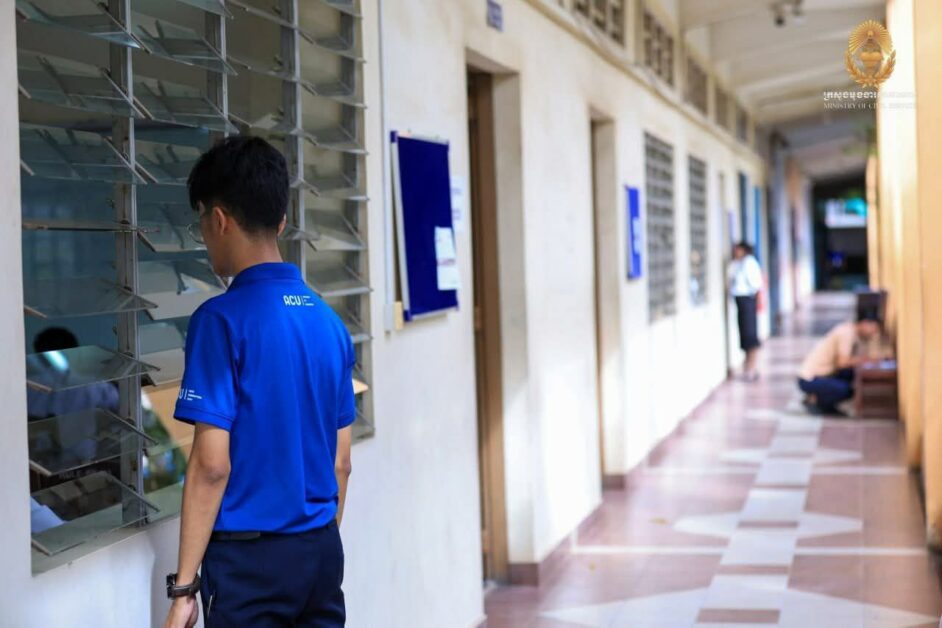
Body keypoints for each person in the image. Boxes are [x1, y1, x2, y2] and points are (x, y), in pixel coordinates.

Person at [163, 136, 355, 628]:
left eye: (201, 221)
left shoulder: (220, 321)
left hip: (250, 567)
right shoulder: (330, 323)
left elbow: (211, 466)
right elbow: (341, 462)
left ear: (218, 220)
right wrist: (313, 545)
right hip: (321, 552)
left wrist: (184, 590)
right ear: (282, 221)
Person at [797, 308, 893, 415]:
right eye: (873, 328)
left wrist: (872, 355)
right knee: (846, 390)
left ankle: (818, 398)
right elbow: (842, 363)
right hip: (810, 379)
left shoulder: (857, 335)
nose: (874, 332)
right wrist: (867, 360)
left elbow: (870, 355)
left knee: (851, 374)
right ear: (865, 323)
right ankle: (815, 401)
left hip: (826, 374)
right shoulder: (846, 333)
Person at [727, 241, 763, 381]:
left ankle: (752, 367)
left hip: (748, 300)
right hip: (740, 302)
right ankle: (747, 366)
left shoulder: (749, 263)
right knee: (744, 335)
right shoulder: (736, 264)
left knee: (750, 335)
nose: (736, 252)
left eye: (738, 250)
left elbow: (756, 284)